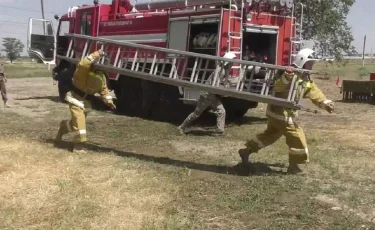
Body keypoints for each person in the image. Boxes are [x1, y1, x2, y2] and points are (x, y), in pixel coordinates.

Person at [237, 48, 335, 174]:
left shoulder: (304, 77)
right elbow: (277, 86)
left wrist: (325, 103)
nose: (311, 66)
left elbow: (313, 91)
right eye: (309, 63)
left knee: (271, 135)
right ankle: (293, 167)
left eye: (312, 63)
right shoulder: (288, 73)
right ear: (302, 61)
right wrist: (287, 77)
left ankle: (246, 151)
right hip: (281, 114)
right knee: (297, 137)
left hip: (277, 114)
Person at [55, 49, 116, 153]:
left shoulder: (102, 77)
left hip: (86, 102)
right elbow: (84, 63)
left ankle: (64, 127)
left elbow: (104, 90)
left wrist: (109, 102)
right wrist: (97, 54)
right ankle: (78, 146)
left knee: (75, 123)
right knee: (79, 122)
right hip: (75, 98)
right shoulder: (84, 70)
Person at [178, 52, 236, 135]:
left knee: (221, 111)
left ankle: (219, 130)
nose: (232, 64)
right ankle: (182, 127)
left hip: (211, 95)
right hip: (207, 94)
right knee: (196, 113)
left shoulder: (223, 70)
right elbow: (216, 84)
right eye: (232, 62)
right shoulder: (221, 71)